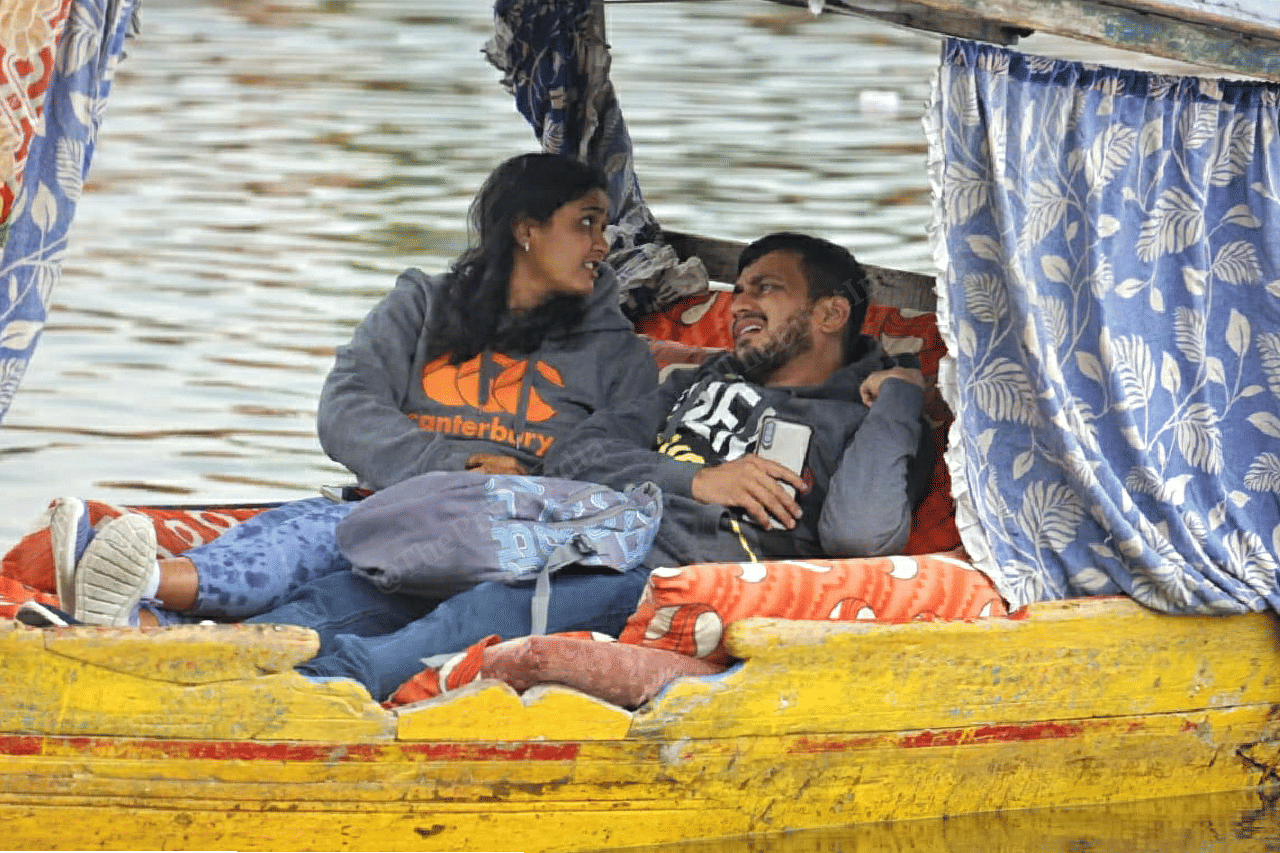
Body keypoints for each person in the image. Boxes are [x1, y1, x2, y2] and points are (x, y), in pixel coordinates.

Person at [216, 231, 929, 702]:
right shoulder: (696, 380)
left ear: (832, 313)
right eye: (738, 289)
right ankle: (236, 656)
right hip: (583, 524)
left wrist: (898, 396)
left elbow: (861, 535)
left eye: (765, 289)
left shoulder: (860, 420)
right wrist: (695, 479)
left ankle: (319, 693)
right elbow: (584, 453)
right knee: (401, 566)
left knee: (494, 603)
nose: (739, 304)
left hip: (661, 570)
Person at [50, 152, 659, 628]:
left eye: (602, 228)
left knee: (325, 549)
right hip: (386, 507)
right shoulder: (422, 306)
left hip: (503, 538)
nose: (602, 247)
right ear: (527, 229)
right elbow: (346, 408)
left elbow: (612, 460)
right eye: (586, 225)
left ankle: (142, 585)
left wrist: (507, 484)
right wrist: (449, 465)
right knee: (308, 530)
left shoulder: (619, 356)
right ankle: (134, 601)